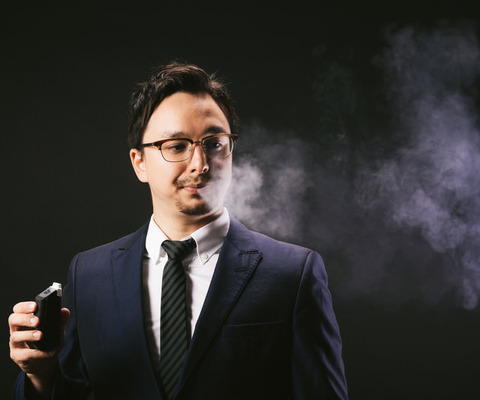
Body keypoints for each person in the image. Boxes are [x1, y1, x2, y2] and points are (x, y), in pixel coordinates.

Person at [9, 62, 348, 399]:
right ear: (139, 163)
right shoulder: (89, 274)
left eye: (214, 143)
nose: (200, 164)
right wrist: (40, 375)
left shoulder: (292, 274)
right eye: (176, 146)